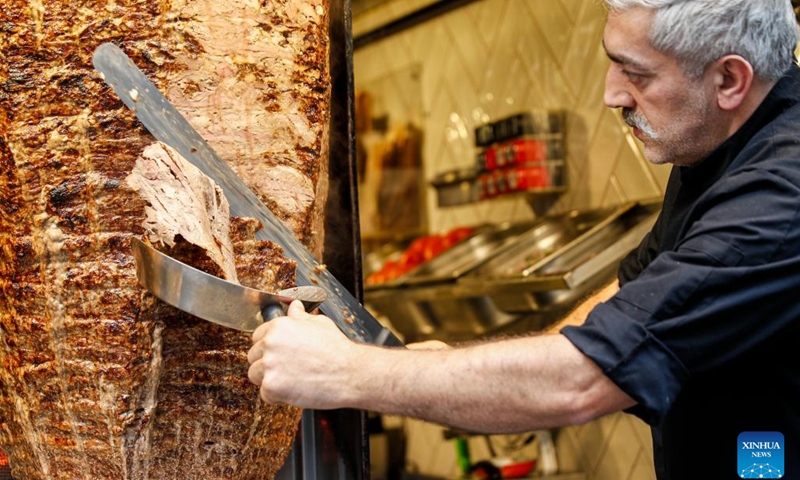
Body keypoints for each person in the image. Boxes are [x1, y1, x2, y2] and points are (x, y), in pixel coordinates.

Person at [247, 1, 800, 478]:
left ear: (729, 80)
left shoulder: (780, 196)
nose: (612, 94)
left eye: (637, 74)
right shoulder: (719, 149)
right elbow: (620, 311)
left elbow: (584, 378)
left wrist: (349, 372)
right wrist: (447, 378)